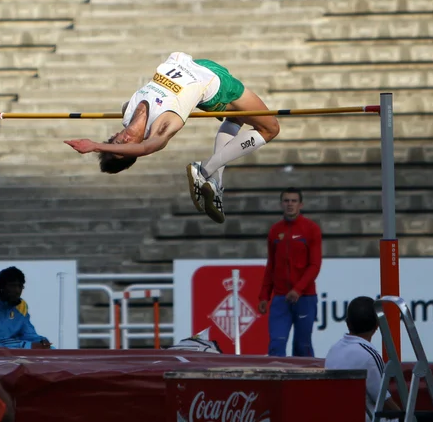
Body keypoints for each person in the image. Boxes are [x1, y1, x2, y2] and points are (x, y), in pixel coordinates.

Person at [64, 52, 280, 224]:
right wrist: (95, 146)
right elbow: (146, 148)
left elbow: (126, 139)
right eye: (127, 147)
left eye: (119, 141)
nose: (125, 138)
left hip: (196, 66)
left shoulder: (127, 111)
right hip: (215, 85)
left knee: (236, 118)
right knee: (269, 129)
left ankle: (216, 183)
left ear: (114, 135)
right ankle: (205, 169)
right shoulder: (162, 127)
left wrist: (105, 147)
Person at [325, 296, 433, 422]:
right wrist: (406, 417)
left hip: (342, 417)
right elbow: (382, 400)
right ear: (377, 325)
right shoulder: (369, 356)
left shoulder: (333, 350)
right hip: (371, 419)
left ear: (347, 323)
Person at [257, 188, 322, 357]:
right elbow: (271, 265)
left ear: (301, 204)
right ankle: (274, 382)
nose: (290, 204)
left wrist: (298, 289)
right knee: (276, 345)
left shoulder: (311, 229)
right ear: (281, 204)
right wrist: (264, 295)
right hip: (280, 298)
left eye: (293, 201)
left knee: (302, 345)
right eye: (286, 201)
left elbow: (315, 265)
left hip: (305, 297)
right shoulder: (274, 231)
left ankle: (306, 383)